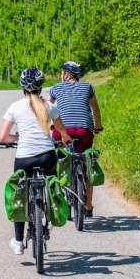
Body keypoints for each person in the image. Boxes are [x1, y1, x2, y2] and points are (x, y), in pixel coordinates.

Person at [0, 67, 73, 255]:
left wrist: (18, 139)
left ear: (22, 86)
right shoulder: (50, 107)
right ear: (41, 87)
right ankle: (49, 208)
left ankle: (17, 240)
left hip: (24, 159)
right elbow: (63, 134)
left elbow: (3, 137)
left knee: (19, 195)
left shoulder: (15, 107)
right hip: (48, 156)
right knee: (52, 183)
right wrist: (65, 140)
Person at [47, 61, 103, 217]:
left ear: (66, 74)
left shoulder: (56, 88)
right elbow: (95, 109)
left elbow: (46, 108)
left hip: (63, 131)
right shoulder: (88, 87)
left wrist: (49, 126)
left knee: (61, 158)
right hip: (84, 131)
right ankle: (88, 205)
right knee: (88, 163)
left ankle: (62, 188)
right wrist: (97, 126)